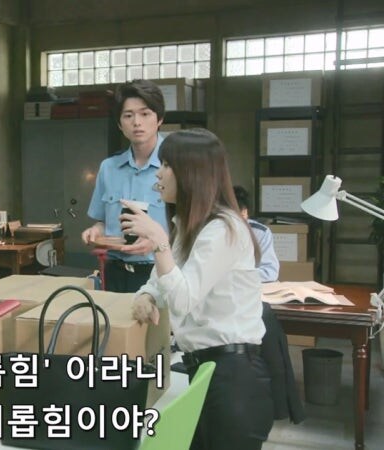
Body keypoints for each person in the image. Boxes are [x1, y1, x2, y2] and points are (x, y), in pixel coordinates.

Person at [127, 129, 274, 449]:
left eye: (167, 165)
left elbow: (183, 300)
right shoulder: (189, 227)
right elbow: (159, 282)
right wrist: (146, 295)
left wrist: (159, 243)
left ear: (192, 173)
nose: (159, 173)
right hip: (207, 369)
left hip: (233, 378)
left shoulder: (223, 229)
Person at [81, 79, 168, 293]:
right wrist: (96, 231)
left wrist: (158, 243)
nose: (137, 122)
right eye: (128, 116)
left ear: (159, 119)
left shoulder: (178, 164)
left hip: (160, 272)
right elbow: (103, 221)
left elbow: (192, 228)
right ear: (119, 124)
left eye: (145, 114)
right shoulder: (109, 167)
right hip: (115, 272)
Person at [234, 185, 280, 282]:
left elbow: (270, 272)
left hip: (250, 285)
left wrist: (236, 276)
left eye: (241, 216)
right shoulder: (213, 230)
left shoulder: (260, 232)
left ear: (246, 213)